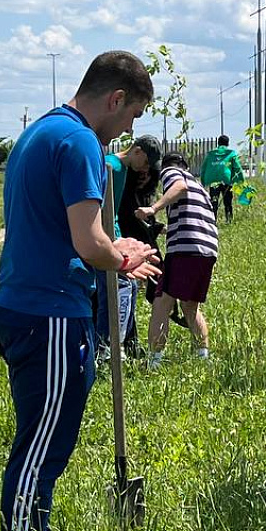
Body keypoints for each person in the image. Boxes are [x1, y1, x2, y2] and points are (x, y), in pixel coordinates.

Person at [0, 50, 161, 531]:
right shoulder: (81, 141)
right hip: (50, 316)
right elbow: (89, 243)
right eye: (132, 115)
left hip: (22, 306)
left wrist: (111, 247)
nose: (129, 129)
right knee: (40, 452)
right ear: (115, 99)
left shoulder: (41, 132)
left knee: (39, 441)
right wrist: (122, 258)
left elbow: (68, 231)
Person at [135, 152, 219, 368]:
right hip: (207, 249)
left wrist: (153, 208)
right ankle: (203, 357)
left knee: (162, 302)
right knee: (190, 306)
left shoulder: (171, 172)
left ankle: (154, 361)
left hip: (185, 247)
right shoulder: (200, 188)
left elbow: (179, 187)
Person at [95, 135, 162, 363]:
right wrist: (112, 243)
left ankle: (123, 343)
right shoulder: (111, 166)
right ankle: (107, 347)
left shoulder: (122, 169)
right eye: (146, 162)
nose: (145, 168)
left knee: (129, 287)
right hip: (106, 240)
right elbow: (101, 209)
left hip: (115, 236)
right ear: (137, 151)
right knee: (117, 288)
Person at [200, 134, 245, 223]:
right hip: (226, 181)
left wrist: (203, 181)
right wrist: (241, 180)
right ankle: (229, 220)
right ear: (228, 143)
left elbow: (203, 168)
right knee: (228, 202)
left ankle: (212, 221)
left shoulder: (210, 154)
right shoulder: (231, 153)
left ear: (218, 143)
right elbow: (237, 168)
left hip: (213, 181)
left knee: (214, 202)